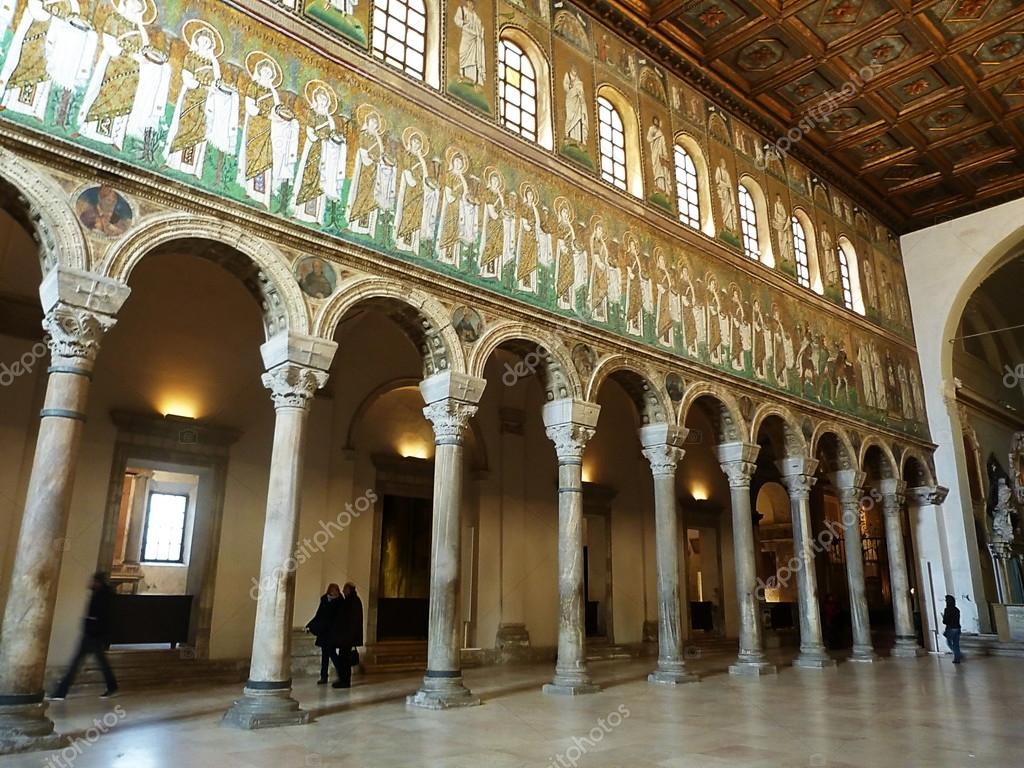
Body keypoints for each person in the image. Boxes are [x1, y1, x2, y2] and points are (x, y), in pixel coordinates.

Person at [49, 572, 119, 700]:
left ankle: (61, 692)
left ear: (98, 582)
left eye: (93, 581)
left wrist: (93, 629)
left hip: (94, 635)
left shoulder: (103, 596)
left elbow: (103, 617)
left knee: (77, 663)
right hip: (92, 634)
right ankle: (112, 686)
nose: (91, 583)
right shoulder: (99, 594)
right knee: (96, 663)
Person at [306, 583, 343, 685]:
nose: (334, 592)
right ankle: (323, 676)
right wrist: (310, 625)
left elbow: (340, 617)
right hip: (324, 632)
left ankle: (341, 673)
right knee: (325, 655)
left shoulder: (340, 601)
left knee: (332, 654)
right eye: (333, 590)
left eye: (336, 590)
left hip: (333, 632)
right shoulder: (324, 599)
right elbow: (319, 614)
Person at [331, 582, 363, 689]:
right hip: (346, 637)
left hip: (347, 637)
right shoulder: (350, 601)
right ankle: (343, 680)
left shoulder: (352, 602)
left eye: (345, 589)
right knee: (343, 659)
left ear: (349, 590)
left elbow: (352, 621)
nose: (343, 591)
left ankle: (344, 681)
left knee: (345, 660)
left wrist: (350, 638)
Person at [942, 595, 963, 664]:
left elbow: (945, 621)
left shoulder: (947, 609)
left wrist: (943, 618)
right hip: (957, 628)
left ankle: (958, 655)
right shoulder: (957, 610)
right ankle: (957, 656)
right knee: (956, 644)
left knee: (949, 643)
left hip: (951, 628)